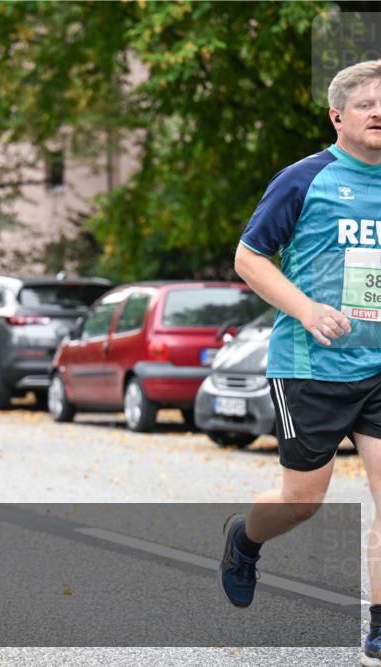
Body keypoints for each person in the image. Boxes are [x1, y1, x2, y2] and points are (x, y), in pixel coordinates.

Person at [219, 60, 381, 664]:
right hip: (312, 363)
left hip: (379, 365)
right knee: (303, 499)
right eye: (366, 103)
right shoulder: (304, 178)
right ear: (338, 115)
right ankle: (245, 538)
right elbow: (249, 258)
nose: (377, 113)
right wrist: (308, 309)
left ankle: (379, 625)